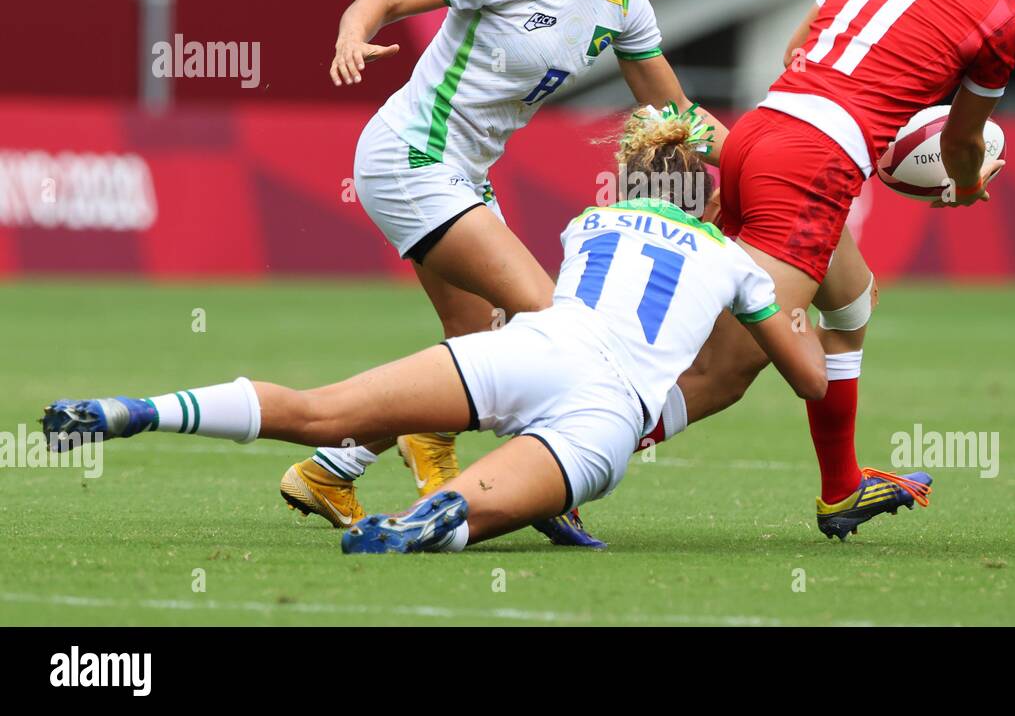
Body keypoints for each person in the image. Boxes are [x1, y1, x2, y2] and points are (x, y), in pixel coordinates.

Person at [42, 111, 839, 554]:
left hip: (529, 351)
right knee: (469, 510)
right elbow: (806, 380)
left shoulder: (586, 223)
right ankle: (430, 520)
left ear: (632, 175)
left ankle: (144, 410)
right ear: (707, 193)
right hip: (604, 414)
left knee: (323, 410)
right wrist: (806, 317)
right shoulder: (737, 262)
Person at [282, 0, 726, 547]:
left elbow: (679, 114)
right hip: (408, 157)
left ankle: (334, 467)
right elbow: (384, 0)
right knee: (552, 321)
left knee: (474, 347)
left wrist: (764, 157)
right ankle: (546, 489)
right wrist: (352, 33)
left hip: (463, 178)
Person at [670, 0, 1015, 539]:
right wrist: (963, 187)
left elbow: (797, 49)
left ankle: (842, 489)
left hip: (759, 132)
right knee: (723, 375)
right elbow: (964, 144)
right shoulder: (1001, 17)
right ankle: (565, 465)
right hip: (810, 167)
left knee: (849, 303)